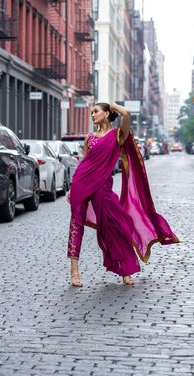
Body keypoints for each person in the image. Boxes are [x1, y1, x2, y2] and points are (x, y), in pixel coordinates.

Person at [66, 102, 179, 287]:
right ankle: (74, 272)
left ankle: (125, 270)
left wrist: (112, 105)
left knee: (116, 224)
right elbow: (85, 161)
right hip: (81, 183)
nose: (92, 115)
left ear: (107, 113)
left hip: (103, 186)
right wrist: (72, 187)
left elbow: (126, 114)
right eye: (91, 112)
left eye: (96, 111)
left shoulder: (118, 134)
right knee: (76, 224)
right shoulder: (89, 137)